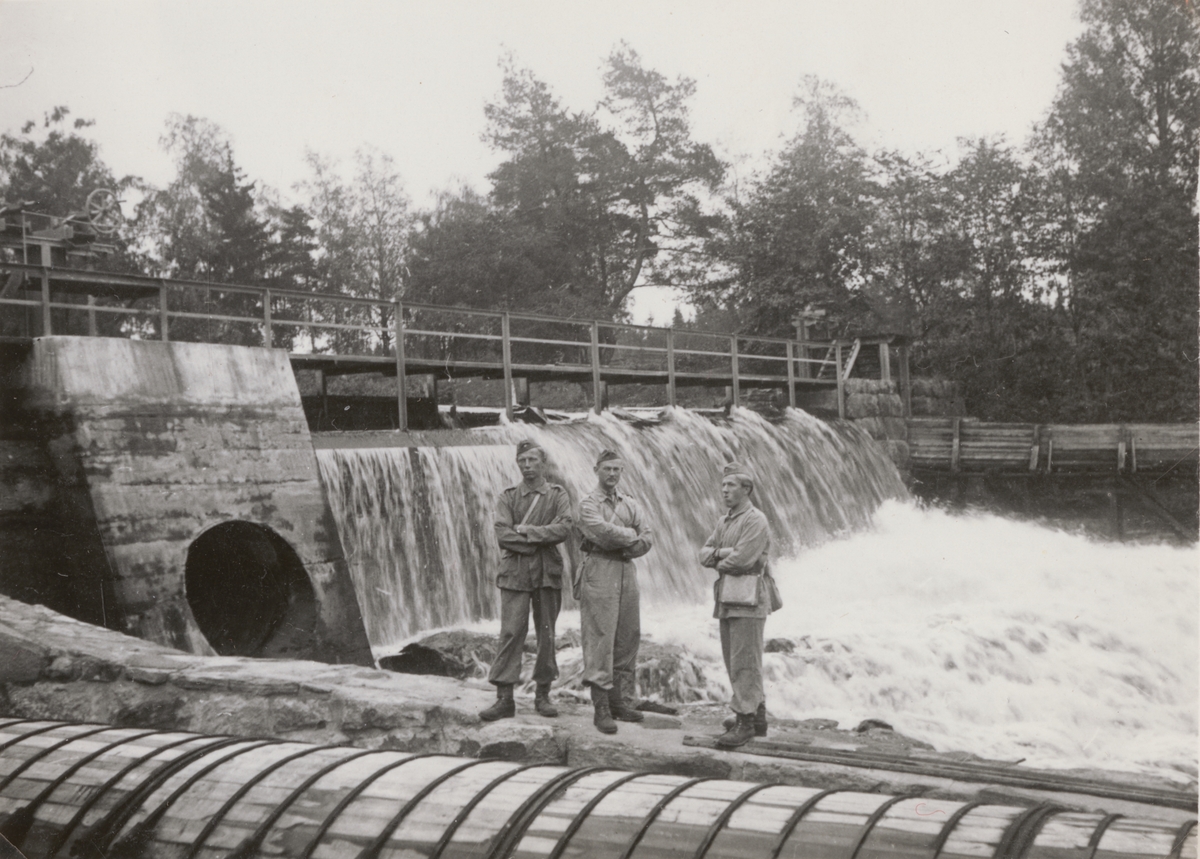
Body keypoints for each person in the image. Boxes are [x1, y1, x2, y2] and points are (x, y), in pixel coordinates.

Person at [480, 439, 573, 721]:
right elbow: (502, 534)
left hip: (547, 572)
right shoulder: (507, 497)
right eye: (523, 461)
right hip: (515, 572)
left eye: (532, 460)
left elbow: (565, 528)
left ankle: (543, 695)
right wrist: (538, 540)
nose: (527, 465)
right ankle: (504, 697)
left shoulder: (557, 495)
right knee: (510, 633)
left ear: (543, 463)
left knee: (547, 633)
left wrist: (528, 532)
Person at [576, 448, 653, 734]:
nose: (612, 474)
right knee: (600, 636)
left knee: (627, 635)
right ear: (596, 470)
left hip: (626, 570)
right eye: (607, 469)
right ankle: (601, 706)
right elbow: (598, 532)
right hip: (599, 570)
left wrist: (627, 540)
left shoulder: (630, 503)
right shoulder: (587, 504)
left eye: (617, 470)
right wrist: (629, 535)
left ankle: (619, 700)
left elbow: (647, 537)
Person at [700, 461, 775, 748]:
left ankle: (745, 721)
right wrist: (723, 553)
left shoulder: (756, 520)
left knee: (746, 661)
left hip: (749, 598)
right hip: (729, 597)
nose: (724, 491)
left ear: (747, 489)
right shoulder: (724, 521)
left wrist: (721, 558)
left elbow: (743, 560)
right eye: (723, 485)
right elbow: (703, 554)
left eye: (730, 485)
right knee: (735, 658)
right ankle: (757, 718)